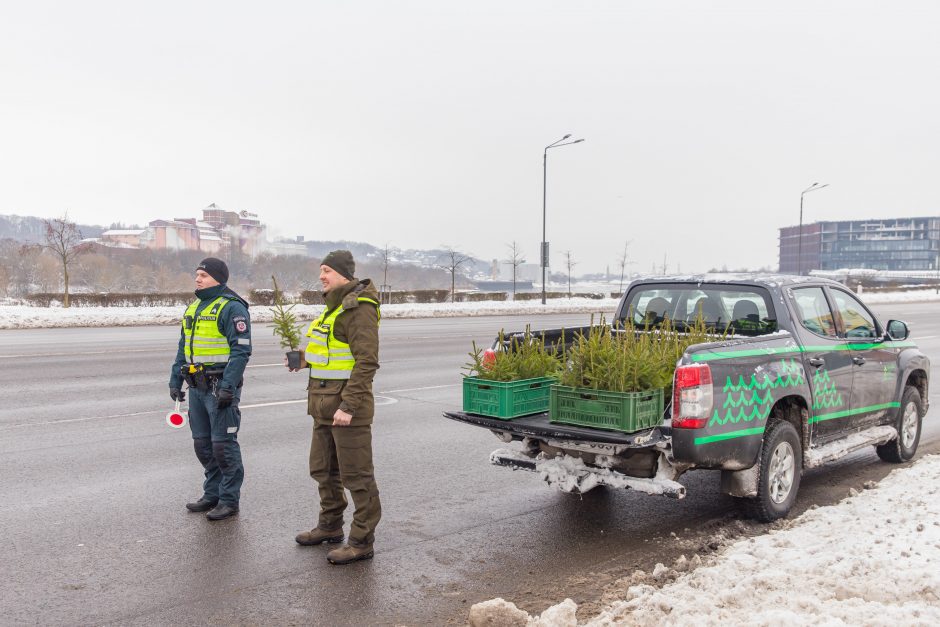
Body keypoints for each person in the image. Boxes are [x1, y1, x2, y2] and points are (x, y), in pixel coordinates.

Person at [292, 250, 382, 565]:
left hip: (346, 410)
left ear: (344, 274)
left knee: (356, 477)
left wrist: (349, 405)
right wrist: (304, 360)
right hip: (322, 405)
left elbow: (366, 362)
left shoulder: (358, 310)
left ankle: (361, 540)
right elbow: (330, 356)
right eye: (321, 270)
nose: (322, 276)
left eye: (327, 270)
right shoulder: (331, 311)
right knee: (323, 470)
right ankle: (329, 526)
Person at [169, 257, 251, 521]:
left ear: (218, 278)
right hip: (196, 387)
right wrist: (174, 380)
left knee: (223, 447)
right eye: (197, 274)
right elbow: (184, 347)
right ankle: (212, 493)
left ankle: (229, 500)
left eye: (203, 275)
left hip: (219, 388)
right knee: (202, 445)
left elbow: (241, 351)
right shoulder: (194, 307)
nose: (198, 279)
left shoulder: (232, 308)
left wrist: (228, 386)